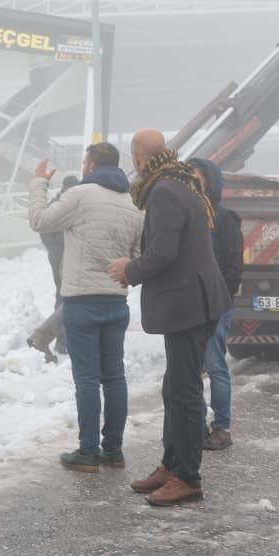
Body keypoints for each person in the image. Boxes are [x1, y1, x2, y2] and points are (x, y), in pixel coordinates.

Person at [107, 130, 231, 506]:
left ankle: (187, 477)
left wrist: (130, 268)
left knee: (185, 392)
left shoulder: (164, 191)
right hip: (195, 301)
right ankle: (172, 464)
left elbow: (163, 252)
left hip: (188, 305)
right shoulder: (182, 182)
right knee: (175, 388)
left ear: (138, 157)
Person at [28, 144, 142, 473]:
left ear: (91, 164)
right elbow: (136, 254)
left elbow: (40, 220)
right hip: (116, 303)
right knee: (115, 378)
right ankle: (114, 451)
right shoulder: (133, 202)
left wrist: (39, 184)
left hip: (81, 303)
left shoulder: (81, 195)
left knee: (88, 380)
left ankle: (88, 452)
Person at [186, 157, 242, 451]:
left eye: (199, 177)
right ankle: (195, 424)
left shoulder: (224, 217)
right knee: (190, 369)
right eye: (189, 177)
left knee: (215, 365)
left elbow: (234, 266)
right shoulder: (187, 215)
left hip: (216, 304)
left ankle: (221, 428)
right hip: (190, 304)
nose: (194, 183)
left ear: (210, 181)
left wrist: (221, 299)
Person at [26, 174, 79, 364]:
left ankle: (66, 339)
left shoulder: (74, 205)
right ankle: (61, 341)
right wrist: (58, 252)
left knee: (71, 297)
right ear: (64, 189)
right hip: (59, 259)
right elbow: (44, 231)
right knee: (63, 296)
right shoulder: (56, 207)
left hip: (73, 259)